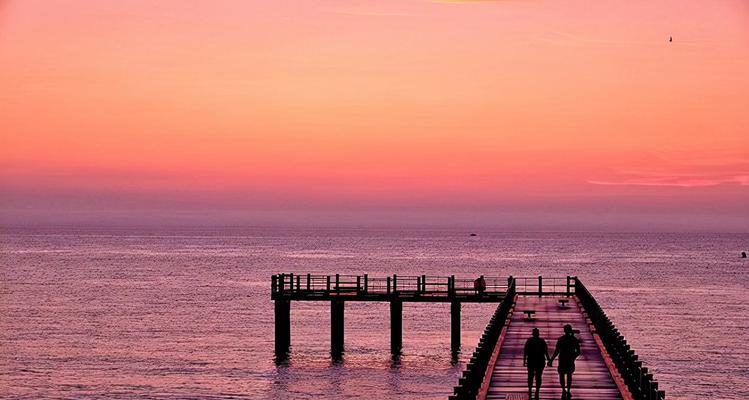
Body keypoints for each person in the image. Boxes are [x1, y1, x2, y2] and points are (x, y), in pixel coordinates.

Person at [549, 324, 581, 400]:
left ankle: (563, 389)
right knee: (569, 376)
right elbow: (578, 351)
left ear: (564, 330)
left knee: (561, 376)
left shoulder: (561, 339)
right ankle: (568, 390)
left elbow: (557, 351)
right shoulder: (574, 340)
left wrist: (551, 360)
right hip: (570, 360)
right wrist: (574, 357)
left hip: (562, 360)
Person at [523, 328, 550, 400]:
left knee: (530, 376)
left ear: (532, 333)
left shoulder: (529, 341)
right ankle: (537, 390)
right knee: (538, 376)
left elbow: (525, 351)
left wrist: (524, 360)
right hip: (540, 361)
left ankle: (530, 389)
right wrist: (548, 359)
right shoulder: (542, 341)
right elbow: (545, 351)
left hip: (531, 360)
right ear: (538, 334)